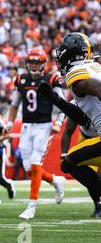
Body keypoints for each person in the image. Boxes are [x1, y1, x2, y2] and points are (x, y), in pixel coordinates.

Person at [42, 32, 101, 217]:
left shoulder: (76, 73)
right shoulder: (94, 67)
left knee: (69, 163)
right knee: (70, 160)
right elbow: (80, 116)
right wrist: (55, 99)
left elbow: (98, 89)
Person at [5, 49, 66, 219]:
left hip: (43, 126)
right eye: (31, 63)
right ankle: (55, 181)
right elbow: (15, 104)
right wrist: (9, 123)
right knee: (27, 168)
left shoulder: (51, 79)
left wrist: (59, 122)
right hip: (26, 126)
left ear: (43, 65)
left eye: (37, 63)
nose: (33, 66)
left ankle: (32, 206)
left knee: (34, 163)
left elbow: (63, 103)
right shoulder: (21, 79)